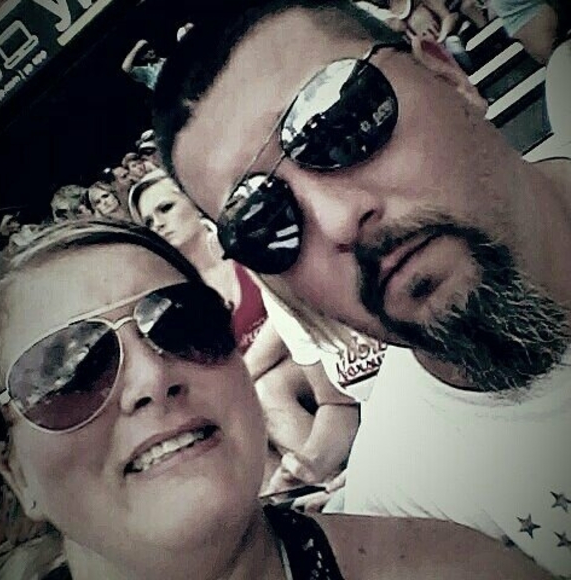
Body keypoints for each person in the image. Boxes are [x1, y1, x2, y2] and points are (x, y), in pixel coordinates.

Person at [152, 1, 571, 575]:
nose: (338, 221)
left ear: (447, 73)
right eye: (262, 221)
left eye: (340, 122)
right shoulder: (409, 516)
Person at [0, 219, 549, 580]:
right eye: (67, 372)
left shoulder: (451, 567)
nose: (152, 379)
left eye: (184, 323)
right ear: (16, 475)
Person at [129, 170, 359, 489]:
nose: (159, 224)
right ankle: (293, 492)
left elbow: (286, 316)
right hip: (259, 379)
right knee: (238, 417)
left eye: (165, 208)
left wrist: (244, 374)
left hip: (304, 357)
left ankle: (334, 481)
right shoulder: (179, 294)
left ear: (195, 202)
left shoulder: (243, 247)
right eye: (149, 221)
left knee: (265, 393)